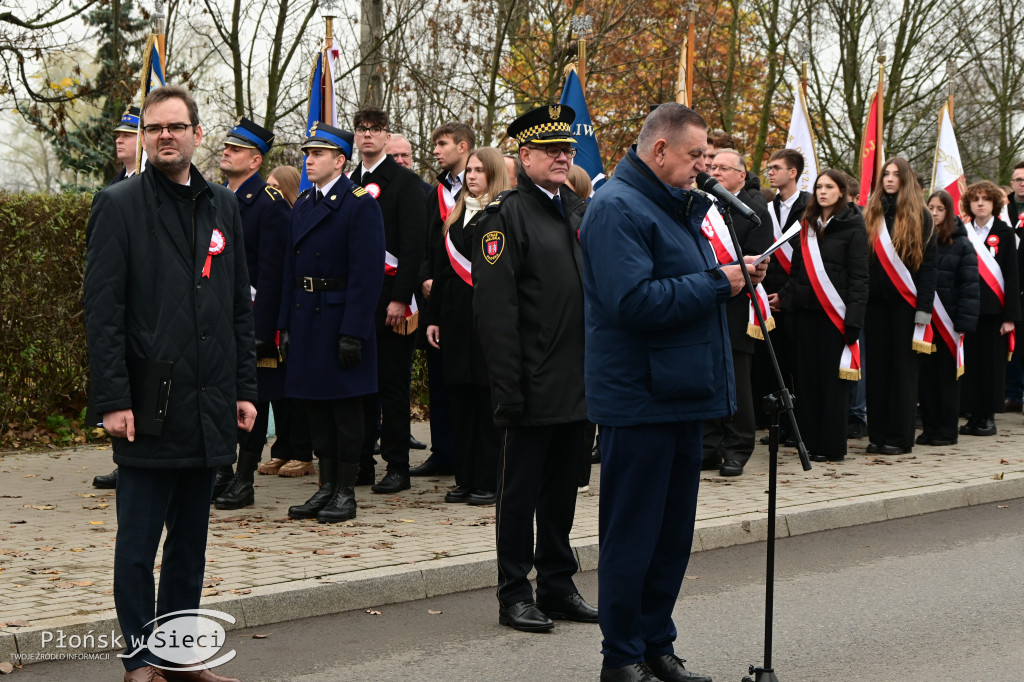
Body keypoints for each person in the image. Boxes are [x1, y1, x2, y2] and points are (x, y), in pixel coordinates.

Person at [580, 102, 765, 682]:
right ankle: (622, 656)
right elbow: (632, 302)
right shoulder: (616, 207)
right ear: (659, 149)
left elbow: (683, 282)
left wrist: (732, 276)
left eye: (707, 156)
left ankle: (656, 644)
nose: (703, 166)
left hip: (681, 393)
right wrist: (717, 282)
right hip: (639, 399)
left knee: (670, 536)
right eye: (695, 155)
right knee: (633, 535)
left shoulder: (677, 205)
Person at [83, 85, 255, 682]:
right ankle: (140, 662)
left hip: (208, 401)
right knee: (137, 548)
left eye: (175, 126)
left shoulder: (223, 205)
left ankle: (180, 657)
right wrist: (113, 400)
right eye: (154, 128)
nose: (165, 136)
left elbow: (237, 308)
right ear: (145, 137)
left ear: (196, 134)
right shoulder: (118, 204)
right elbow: (103, 313)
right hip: (147, 405)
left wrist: (244, 389)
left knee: (189, 546)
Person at [473, 103, 597, 634]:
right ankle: (514, 593)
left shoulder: (579, 211)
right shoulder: (503, 218)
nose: (562, 157)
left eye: (567, 150)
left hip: (578, 382)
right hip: (529, 384)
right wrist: (508, 389)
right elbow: (496, 314)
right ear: (524, 157)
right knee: (519, 496)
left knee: (562, 492)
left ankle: (558, 584)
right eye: (551, 151)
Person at [278, 121, 385, 523]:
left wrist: (354, 332)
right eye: (307, 154)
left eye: (318, 154)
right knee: (315, 406)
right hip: (307, 315)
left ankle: (345, 491)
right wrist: (285, 324)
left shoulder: (359, 203)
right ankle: (325, 487)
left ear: (340, 161)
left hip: (340, 318)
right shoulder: (304, 203)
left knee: (344, 409)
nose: (309, 161)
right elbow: (290, 269)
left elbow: (367, 274)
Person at [212, 118, 293, 509]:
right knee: (218, 394)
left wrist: (265, 330)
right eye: (227, 146)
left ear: (256, 160)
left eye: (236, 149)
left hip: (254, 320)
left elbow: (276, 273)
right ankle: (221, 471)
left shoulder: (269, 204)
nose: (226, 152)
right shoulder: (213, 198)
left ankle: (244, 478)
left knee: (253, 397)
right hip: (216, 317)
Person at [348, 108, 427, 493]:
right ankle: (361, 462)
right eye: (362, 129)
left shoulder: (405, 182)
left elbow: (413, 246)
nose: (367, 135)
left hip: (392, 301)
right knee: (359, 386)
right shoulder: (349, 181)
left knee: (392, 387)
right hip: (357, 301)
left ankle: (397, 466)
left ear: (386, 135)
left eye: (375, 129)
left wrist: (400, 298)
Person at [424, 147, 508, 505]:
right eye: (469, 170)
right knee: (460, 401)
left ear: (493, 174)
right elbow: (442, 271)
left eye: (479, 171)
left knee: (486, 403)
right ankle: (466, 477)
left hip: (486, 322)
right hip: (455, 322)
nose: (471, 176)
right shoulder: (457, 214)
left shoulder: (503, 213)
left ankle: (489, 480)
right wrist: (432, 319)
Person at [773, 170, 867, 462]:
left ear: (842, 191)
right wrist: (786, 300)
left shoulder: (854, 227)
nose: (823, 192)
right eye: (819, 187)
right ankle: (810, 442)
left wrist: (854, 320)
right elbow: (797, 272)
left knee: (831, 384)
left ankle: (831, 445)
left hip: (835, 317)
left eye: (829, 187)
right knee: (807, 381)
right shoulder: (807, 225)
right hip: (805, 315)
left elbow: (859, 279)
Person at [702, 148, 771, 476]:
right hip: (706, 299)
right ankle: (709, 445)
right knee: (709, 376)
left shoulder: (754, 211)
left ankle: (737, 447)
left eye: (724, 168)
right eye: (713, 167)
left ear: (742, 175)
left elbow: (757, 261)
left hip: (738, 305)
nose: (715, 172)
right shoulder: (702, 205)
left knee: (737, 380)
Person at [413, 123, 476, 477]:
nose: (436, 150)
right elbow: (425, 242)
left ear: (463, 146)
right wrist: (424, 275)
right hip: (437, 298)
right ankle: (443, 452)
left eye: (442, 144)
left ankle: (470, 455)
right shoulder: (435, 192)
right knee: (438, 377)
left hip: (469, 296)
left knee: (468, 380)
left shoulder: (481, 186)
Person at [862, 157, 937, 454]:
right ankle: (878, 434)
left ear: (906, 180)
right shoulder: (871, 214)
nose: (890, 179)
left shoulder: (921, 215)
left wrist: (924, 309)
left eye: (896, 175)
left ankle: (900, 438)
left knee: (902, 372)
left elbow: (929, 268)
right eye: (886, 174)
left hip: (907, 305)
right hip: (875, 305)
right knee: (877, 371)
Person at [92, 106, 143, 491]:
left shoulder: (145, 188)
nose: (119, 140)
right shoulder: (116, 187)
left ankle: (133, 461)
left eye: (127, 134)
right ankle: (122, 458)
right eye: (117, 135)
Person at [753, 149, 811, 439]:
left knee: (799, 368)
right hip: (770, 299)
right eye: (769, 168)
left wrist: (787, 296)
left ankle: (800, 428)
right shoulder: (766, 208)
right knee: (774, 369)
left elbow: (809, 261)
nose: (771, 172)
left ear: (793, 172)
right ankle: (780, 426)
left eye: (776, 168)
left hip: (798, 301)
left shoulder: (810, 207)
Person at [917, 190, 978, 445]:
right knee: (926, 378)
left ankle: (947, 430)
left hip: (950, 324)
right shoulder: (921, 240)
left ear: (949, 212)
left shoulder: (962, 245)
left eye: (940, 209)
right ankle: (930, 427)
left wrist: (964, 322)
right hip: (926, 323)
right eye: (930, 207)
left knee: (947, 379)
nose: (934, 213)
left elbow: (970, 287)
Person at [959, 181, 1020, 436]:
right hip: (969, 310)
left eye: (985, 199)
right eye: (975, 199)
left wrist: (1010, 316)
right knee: (971, 364)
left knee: (992, 366)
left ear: (994, 203)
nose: (980, 203)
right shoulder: (962, 232)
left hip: (995, 313)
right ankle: (973, 414)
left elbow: (1013, 277)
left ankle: (988, 417)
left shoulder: (1005, 233)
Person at [1004, 162, 1024, 411]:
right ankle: (1013, 394)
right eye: (1018, 179)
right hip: (1008, 284)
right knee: (1012, 342)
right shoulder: (1002, 210)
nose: (1022, 183)